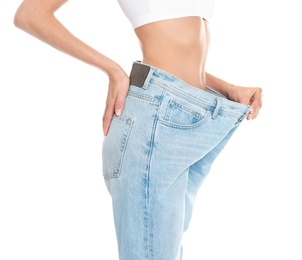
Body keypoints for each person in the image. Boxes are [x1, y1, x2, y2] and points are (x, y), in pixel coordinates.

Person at [14, 0, 262, 259]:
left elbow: (179, 50)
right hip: (154, 123)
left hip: (188, 119)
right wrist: (113, 70)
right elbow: (30, 14)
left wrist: (227, 88)